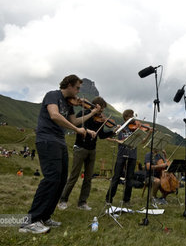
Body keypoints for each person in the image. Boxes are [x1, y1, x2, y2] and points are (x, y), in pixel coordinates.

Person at [19, 75, 96, 234]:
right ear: (68, 85)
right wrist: (77, 131)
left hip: (59, 141)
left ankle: (45, 216)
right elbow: (54, 115)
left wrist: (91, 112)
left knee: (61, 181)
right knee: (51, 178)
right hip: (47, 139)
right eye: (77, 88)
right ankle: (30, 221)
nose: (78, 92)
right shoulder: (53, 95)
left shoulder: (69, 104)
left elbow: (75, 122)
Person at [58, 96, 118, 211]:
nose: (102, 113)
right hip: (80, 148)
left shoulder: (100, 119)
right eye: (101, 109)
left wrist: (113, 132)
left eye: (103, 110)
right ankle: (63, 200)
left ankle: (82, 202)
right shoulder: (83, 113)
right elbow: (76, 125)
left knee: (88, 178)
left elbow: (101, 135)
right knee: (74, 176)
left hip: (92, 149)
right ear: (95, 106)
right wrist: (87, 131)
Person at [105, 109, 149, 206]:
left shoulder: (136, 128)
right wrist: (117, 141)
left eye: (133, 115)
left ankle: (126, 200)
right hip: (121, 154)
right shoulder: (120, 127)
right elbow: (108, 137)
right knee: (116, 177)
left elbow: (142, 142)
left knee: (129, 178)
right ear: (126, 117)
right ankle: (108, 199)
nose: (133, 117)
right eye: (131, 115)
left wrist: (149, 133)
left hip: (132, 155)